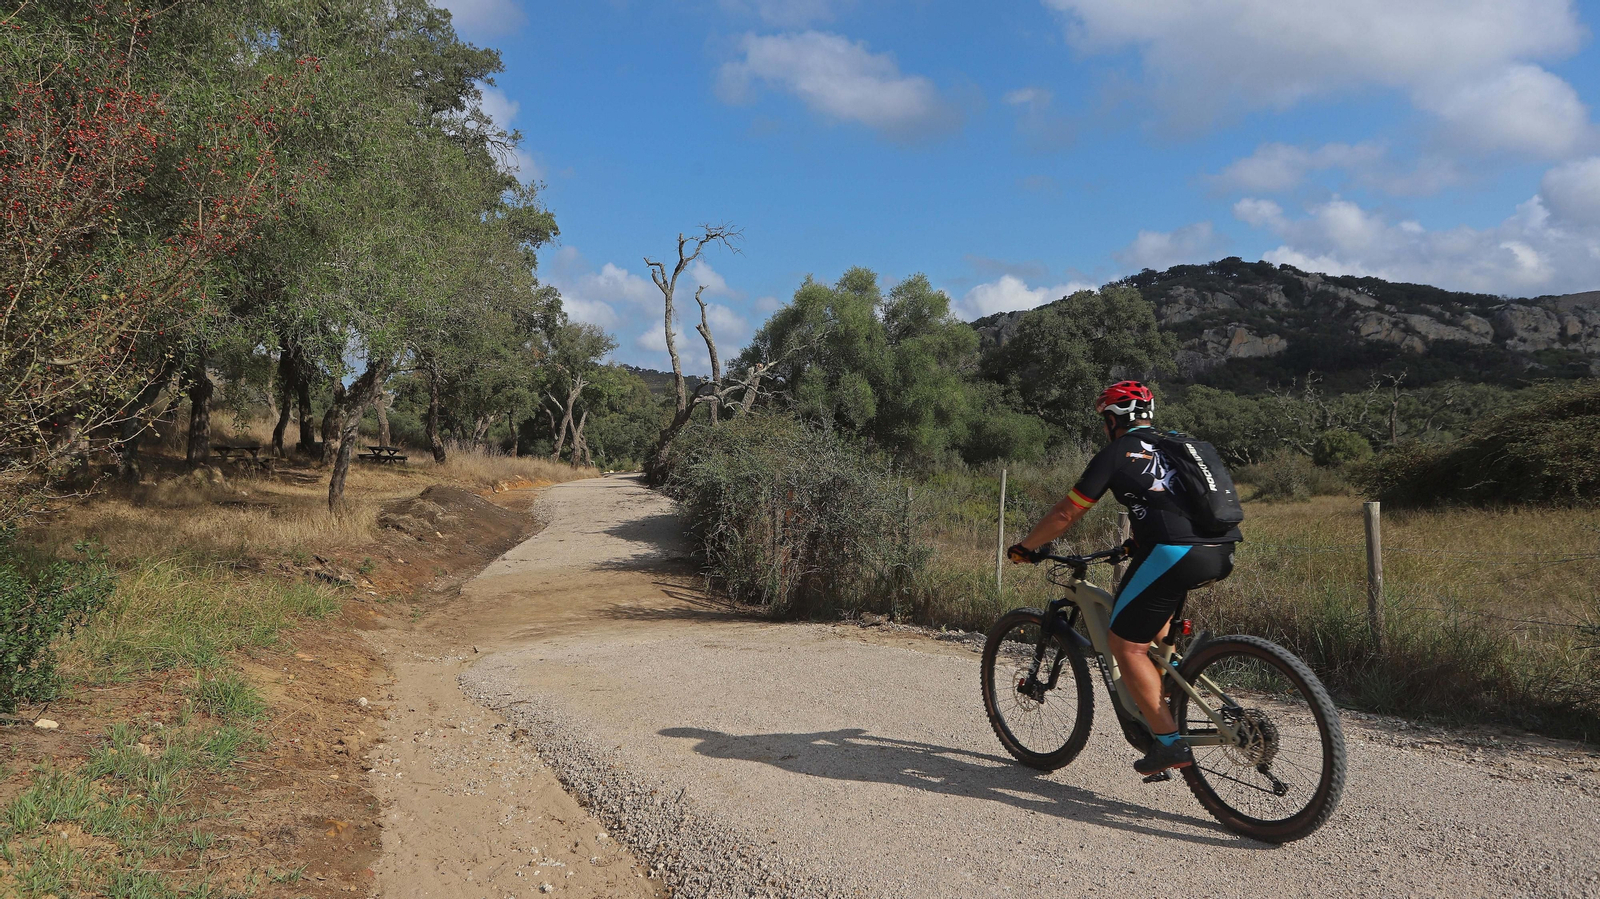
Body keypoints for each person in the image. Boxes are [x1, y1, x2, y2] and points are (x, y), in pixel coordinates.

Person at [1006, 380, 1240, 776]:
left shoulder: (1117, 452)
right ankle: (1160, 705)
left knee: (1124, 645)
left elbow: (1067, 512)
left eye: (1104, 419)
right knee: (1149, 635)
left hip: (1173, 552)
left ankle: (1169, 743)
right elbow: (1164, 501)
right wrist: (1134, 544)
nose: (1104, 427)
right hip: (1220, 548)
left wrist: (1027, 547)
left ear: (1113, 419)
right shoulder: (1176, 446)